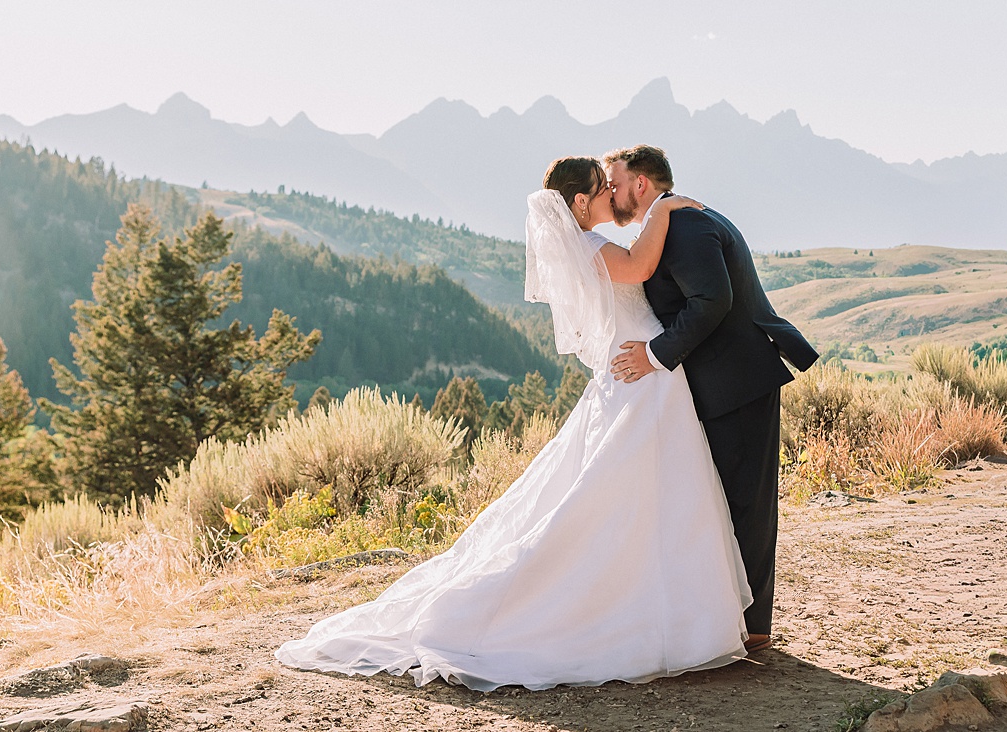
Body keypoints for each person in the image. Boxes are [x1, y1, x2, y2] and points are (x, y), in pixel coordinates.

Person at [276, 156, 753, 691]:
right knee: (627, 496)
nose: (610, 195)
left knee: (650, 495)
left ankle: (662, 612)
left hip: (641, 372)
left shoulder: (587, 244)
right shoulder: (591, 247)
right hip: (639, 371)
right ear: (580, 203)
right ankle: (646, 618)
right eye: (603, 189)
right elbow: (641, 268)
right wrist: (664, 208)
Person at [604, 145, 818, 654]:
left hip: (737, 382)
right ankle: (724, 619)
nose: (610, 193)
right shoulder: (671, 222)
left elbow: (712, 301)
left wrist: (654, 354)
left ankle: (752, 627)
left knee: (746, 503)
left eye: (615, 183)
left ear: (641, 183)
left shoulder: (686, 225)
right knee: (719, 502)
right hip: (715, 385)